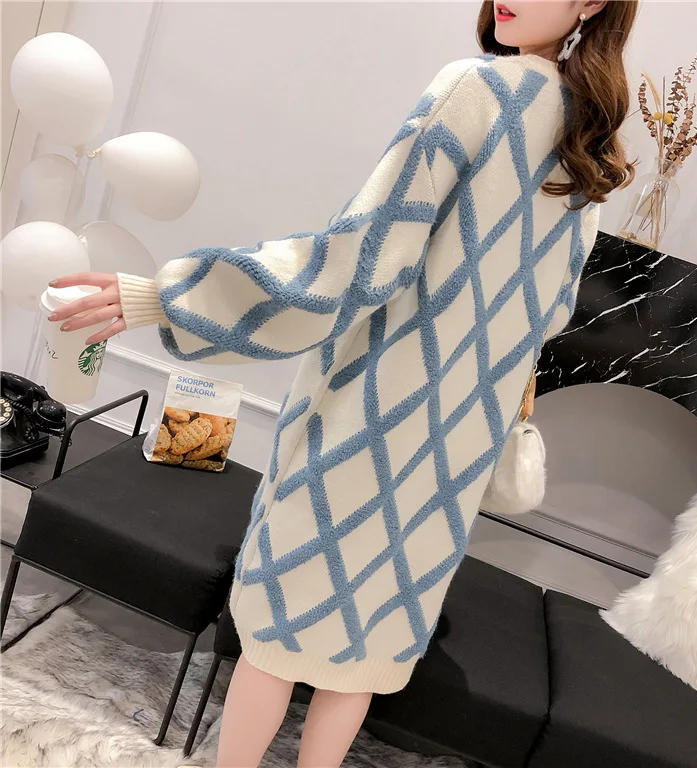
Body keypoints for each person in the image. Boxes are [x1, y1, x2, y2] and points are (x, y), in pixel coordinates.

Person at [50, 1, 637, 764]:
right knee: (366, 646)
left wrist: (165, 296)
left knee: (280, 627)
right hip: (456, 444)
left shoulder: (479, 90)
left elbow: (357, 259)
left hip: (370, 416)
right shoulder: (591, 141)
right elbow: (548, 314)